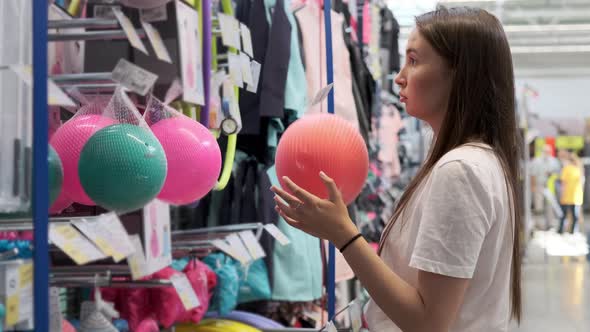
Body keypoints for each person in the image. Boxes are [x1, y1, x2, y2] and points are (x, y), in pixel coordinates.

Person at [271, 6, 521, 332]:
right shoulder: (479, 163)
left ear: (459, 74)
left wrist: (343, 234)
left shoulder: (461, 172)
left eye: (414, 61)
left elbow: (428, 322)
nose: (400, 76)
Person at [558, 151, 584, 234]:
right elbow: (564, 183)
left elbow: (563, 184)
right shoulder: (573, 169)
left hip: (574, 196)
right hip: (572, 196)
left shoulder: (574, 169)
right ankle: (566, 231)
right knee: (571, 215)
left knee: (566, 215)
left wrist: (562, 194)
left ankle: (567, 231)